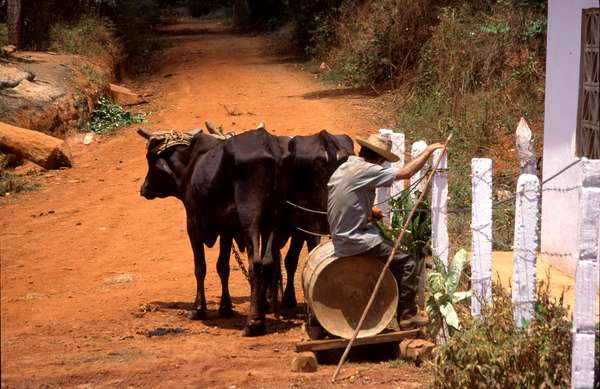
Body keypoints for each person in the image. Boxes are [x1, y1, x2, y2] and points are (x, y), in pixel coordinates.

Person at [327, 133, 445, 329]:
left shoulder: (346, 167)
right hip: (355, 239)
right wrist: (429, 150)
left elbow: (344, 197)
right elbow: (406, 173)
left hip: (340, 234)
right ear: (380, 159)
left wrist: (368, 211)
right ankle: (407, 315)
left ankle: (393, 305)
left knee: (390, 247)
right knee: (407, 262)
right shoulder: (367, 169)